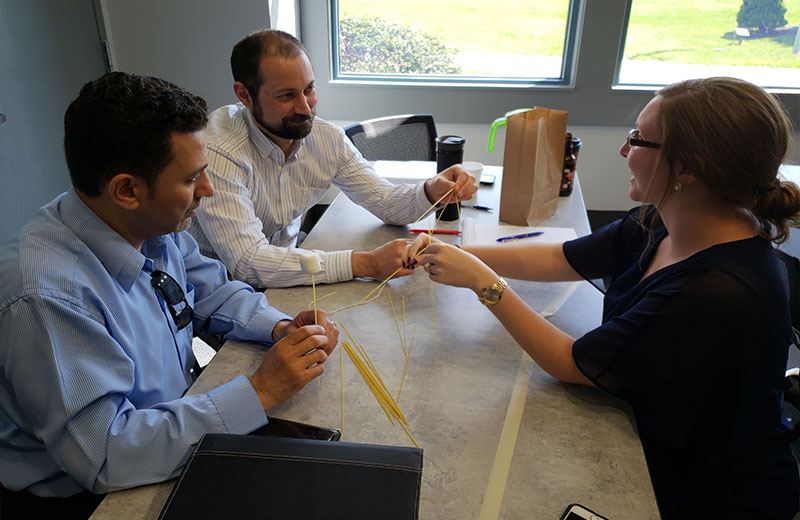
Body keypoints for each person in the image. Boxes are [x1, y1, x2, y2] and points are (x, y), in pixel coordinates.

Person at [406, 77, 800, 519]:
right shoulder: (661, 221)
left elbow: (571, 364)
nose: (623, 151)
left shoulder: (717, 292)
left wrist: (486, 284)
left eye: (638, 140)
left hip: (704, 493)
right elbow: (562, 257)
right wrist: (454, 253)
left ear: (688, 168)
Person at [0, 71, 338, 518]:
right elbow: (105, 454)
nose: (208, 190)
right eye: (192, 178)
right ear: (127, 190)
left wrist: (278, 327)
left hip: (169, 429)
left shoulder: (148, 224)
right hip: (92, 496)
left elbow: (211, 291)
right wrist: (259, 391)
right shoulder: (47, 297)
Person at [188, 29, 477, 289]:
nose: (305, 107)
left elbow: (387, 203)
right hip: (220, 288)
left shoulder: (326, 139)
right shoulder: (218, 152)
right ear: (244, 95)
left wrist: (430, 191)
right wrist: (364, 263)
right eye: (287, 95)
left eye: (309, 89)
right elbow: (247, 263)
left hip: (286, 268)